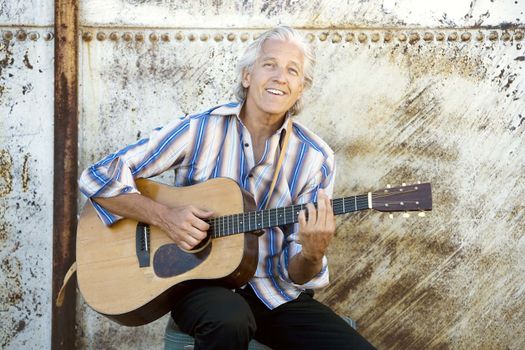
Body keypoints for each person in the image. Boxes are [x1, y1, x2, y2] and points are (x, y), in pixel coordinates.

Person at [79, 26, 375, 350]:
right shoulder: (200, 128)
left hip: (274, 292)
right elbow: (98, 175)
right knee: (230, 319)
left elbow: (299, 274)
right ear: (248, 75)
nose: (280, 77)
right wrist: (164, 216)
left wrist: (313, 252)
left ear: (300, 88)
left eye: (293, 71)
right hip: (199, 286)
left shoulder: (315, 158)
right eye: (270, 65)